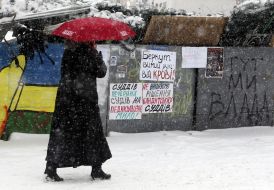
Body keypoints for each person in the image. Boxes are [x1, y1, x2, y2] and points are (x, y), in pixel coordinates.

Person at [44, 40, 112, 182]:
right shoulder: (91, 54)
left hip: (66, 102)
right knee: (92, 135)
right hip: (85, 101)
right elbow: (101, 72)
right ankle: (96, 169)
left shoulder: (68, 52)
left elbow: (66, 73)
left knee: (62, 135)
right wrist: (98, 58)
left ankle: (51, 169)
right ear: (90, 42)